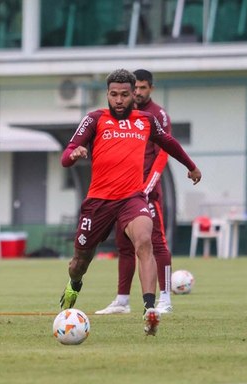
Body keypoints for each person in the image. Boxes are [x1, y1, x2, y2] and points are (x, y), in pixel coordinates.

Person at [59, 68, 201, 336]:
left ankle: (149, 310)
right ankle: (73, 285)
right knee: (80, 261)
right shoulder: (94, 119)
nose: (120, 100)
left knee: (144, 241)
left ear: (133, 94)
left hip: (131, 199)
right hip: (99, 201)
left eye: (125, 94)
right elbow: (66, 155)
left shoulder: (146, 120)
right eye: (114, 95)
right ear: (108, 95)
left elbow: (169, 143)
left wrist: (191, 166)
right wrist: (74, 154)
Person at [96, 69, 175, 315]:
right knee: (124, 244)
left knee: (156, 242)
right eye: (136, 88)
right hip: (123, 191)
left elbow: (163, 153)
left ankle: (165, 298)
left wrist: (148, 186)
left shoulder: (157, 115)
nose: (138, 92)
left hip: (146, 191)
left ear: (150, 89)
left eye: (142, 88)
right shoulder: (123, 116)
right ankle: (122, 300)